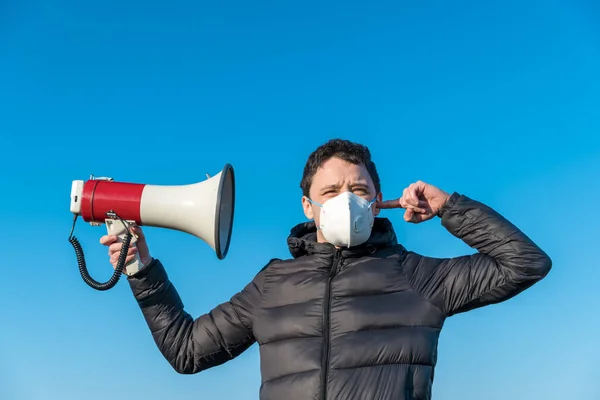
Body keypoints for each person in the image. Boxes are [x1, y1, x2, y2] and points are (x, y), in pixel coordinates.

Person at [100, 139, 551, 400]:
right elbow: (187, 351)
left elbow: (525, 264)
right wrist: (141, 269)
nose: (346, 199)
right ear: (308, 207)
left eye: (359, 189)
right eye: (331, 190)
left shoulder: (416, 276)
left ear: (378, 203)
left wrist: (449, 207)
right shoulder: (272, 284)